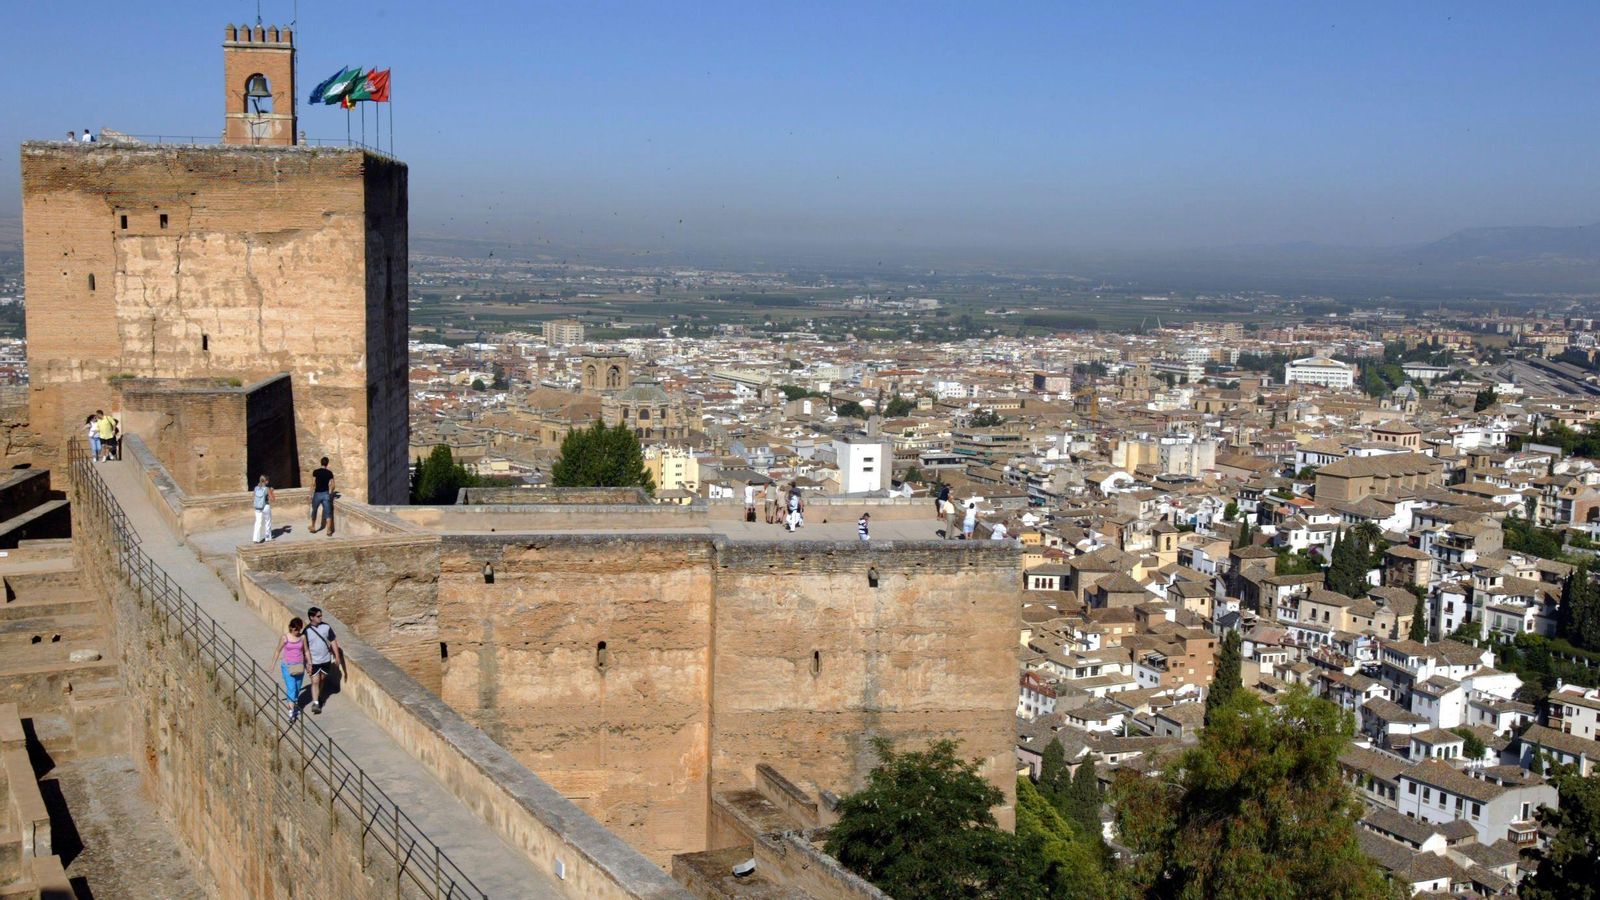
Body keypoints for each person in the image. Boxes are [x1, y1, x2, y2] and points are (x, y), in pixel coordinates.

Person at [303, 606, 346, 715]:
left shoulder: (326, 627)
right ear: (311, 617)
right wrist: (307, 663)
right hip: (314, 661)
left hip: (325, 659)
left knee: (322, 679)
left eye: (321, 615)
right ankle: (316, 703)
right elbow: (304, 649)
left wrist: (337, 656)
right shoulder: (306, 631)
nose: (321, 617)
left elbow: (333, 641)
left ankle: (319, 696)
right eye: (318, 616)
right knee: (315, 681)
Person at [277, 617, 309, 722]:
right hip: (287, 666)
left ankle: (294, 704)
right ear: (291, 627)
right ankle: (291, 712)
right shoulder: (285, 638)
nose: (297, 631)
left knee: (297, 687)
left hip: (299, 666)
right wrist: (272, 665)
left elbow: (306, 651)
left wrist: (310, 663)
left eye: (299, 629)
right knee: (291, 688)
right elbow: (278, 650)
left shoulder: (303, 637)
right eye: (296, 629)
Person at [309, 457, 335, 536]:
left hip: (317, 494)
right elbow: (333, 485)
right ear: (327, 463)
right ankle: (328, 530)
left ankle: (313, 527)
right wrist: (330, 493)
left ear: (321, 463)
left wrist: (310, 494)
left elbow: (313, 484)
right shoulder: (329, 473)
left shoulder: (315, 472)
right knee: (328, 513)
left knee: (314, 510)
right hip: (326, 494)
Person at [252, 475, 275, 543]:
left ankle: (256, 539)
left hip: (257, 507)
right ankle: (268, 538)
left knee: (257, 522)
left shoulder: (255, 488)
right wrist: (272, 491)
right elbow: (272, 499)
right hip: (265, 506)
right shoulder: (267, 489)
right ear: (266, 481)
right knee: (267, 522)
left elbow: (253, 497)